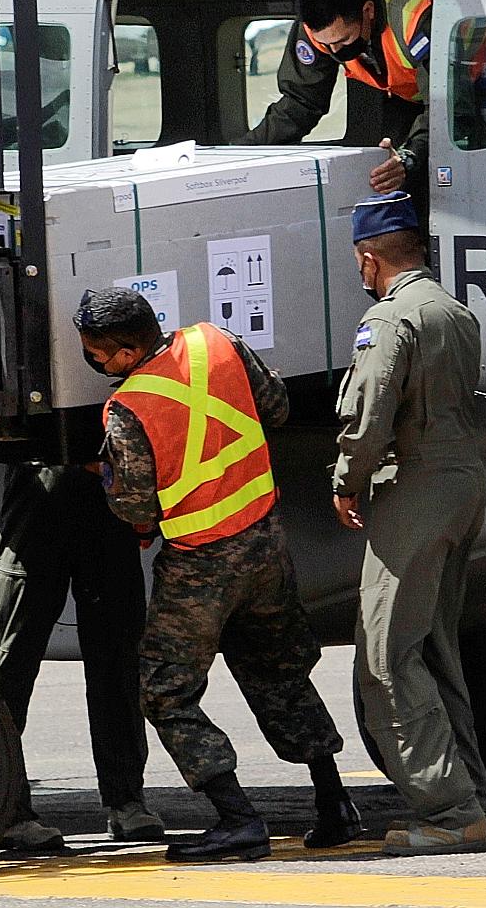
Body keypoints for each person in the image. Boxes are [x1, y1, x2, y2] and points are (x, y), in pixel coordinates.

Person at [75, 287, 360, 862]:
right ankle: (334, 805)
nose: (97, 365)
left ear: (127, 352)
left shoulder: (127, 409)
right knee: (279, 672)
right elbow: (277, 408)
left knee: (163, 691)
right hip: (266, 540)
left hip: (202, 562)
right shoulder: (217, 342)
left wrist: (103, 474)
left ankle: (238, 819)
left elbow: (135, 509)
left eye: (98, 355)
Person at [332, 191, 486, 855]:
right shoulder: (455, 311)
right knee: (433, 646)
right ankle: (469, 790)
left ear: (370, 259)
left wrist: (347, 478)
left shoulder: (390, 319)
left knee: (385, 656)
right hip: (463, 483)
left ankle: (451, 813)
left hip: (417, 488)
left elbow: (370, 411)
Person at [0, 464, 165, 850]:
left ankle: (126, 799)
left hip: (108, 485)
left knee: (119, 657)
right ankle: (5, 809)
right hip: (38, 482)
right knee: (9, 661)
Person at [239, 0, 433, 198]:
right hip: (407, 95)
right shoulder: (318, 21)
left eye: (344, 40)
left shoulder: (416, 14)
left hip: (470, 84)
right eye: (326, 44)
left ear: (368, 11)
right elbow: (301, 102)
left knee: (424, 178)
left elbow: (447, 104)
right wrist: (240, 154)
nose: (335, 51)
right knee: (388, 183)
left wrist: (409, 157)